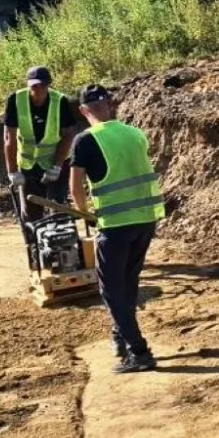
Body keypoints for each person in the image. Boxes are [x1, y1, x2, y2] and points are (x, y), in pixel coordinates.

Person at [69, 84, 165, 374]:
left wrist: (85, 214)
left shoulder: (85, 140)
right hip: (146, 219)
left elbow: (75, 188)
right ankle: (120, 335)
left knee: (111, 289)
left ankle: (139, 351)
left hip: (116, 225)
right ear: (109, 105)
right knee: (128, 281)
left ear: (84, 111)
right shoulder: (135, 134)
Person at [3, 66, 76, 222]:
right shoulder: (15, 100)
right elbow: (9, 137)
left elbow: (68, 135)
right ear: (28, 85)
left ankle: (63, 241)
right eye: (34, 86)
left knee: (58, 207)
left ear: (49, 84)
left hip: (55, 160)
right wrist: (13, 172)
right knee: (31, 212)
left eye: (43, 85)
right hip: (28, 164)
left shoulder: (60, 101)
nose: (39, 90)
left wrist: (56, 167)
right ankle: (35, 242)